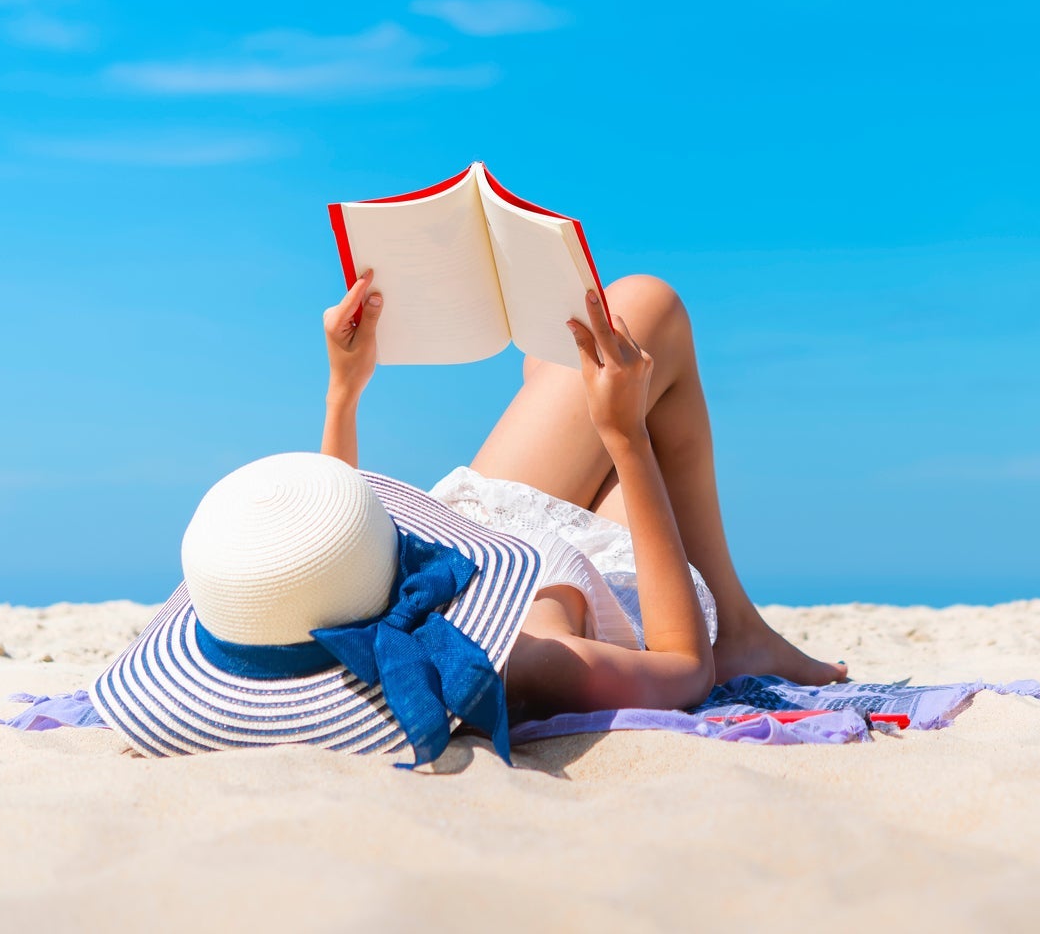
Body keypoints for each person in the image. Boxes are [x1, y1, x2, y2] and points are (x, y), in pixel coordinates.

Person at [318, 267, 846, 722]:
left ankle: (740, 631)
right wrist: (625, 438)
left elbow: (323, 550)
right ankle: (735, 631)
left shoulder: (332, 598)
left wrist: (345, 386)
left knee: (572, 357)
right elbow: (686, 669)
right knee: (639, 316)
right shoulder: (536, 660)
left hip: (456, 544)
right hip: (594, 587)